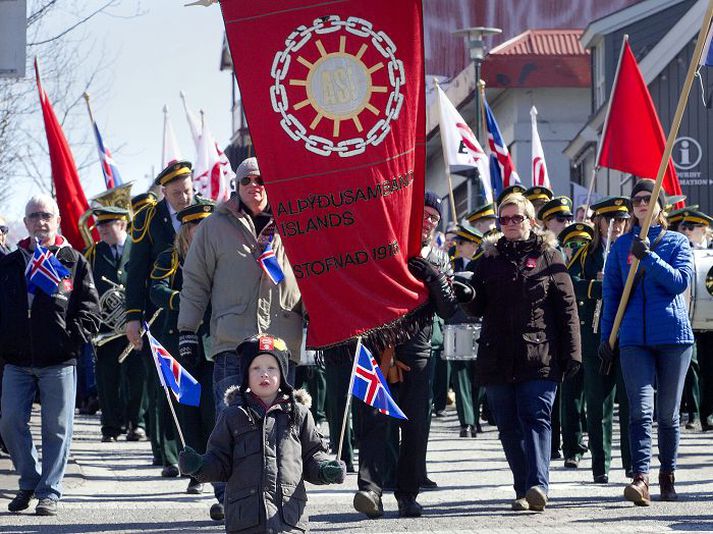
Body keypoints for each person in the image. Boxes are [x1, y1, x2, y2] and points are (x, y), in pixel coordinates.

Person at [177, 156, 304, 521]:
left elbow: (312, 276)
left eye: (263, 179)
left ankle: (277, 496)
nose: (255, 185)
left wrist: (323, 328)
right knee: (230, 417)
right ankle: (229, 495)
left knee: (281, 422)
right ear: (237, 185)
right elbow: (195, 281)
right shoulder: (214, 226)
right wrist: (188, 330)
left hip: (281, 338)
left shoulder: (295, 220)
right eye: (247, 179)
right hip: (233, 339)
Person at [461, 192, 581, 511]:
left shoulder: (549, 255)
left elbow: (567, 307)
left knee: (536, 417)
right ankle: (522, 487)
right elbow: (477, 307)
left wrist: (573, 353)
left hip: (540, 353)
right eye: (504, 219)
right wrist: (465, 295)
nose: (510, 224)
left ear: (530, 220)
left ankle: (538, 485)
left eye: (517, 218)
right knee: (509, 425)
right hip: (497, 354)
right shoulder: (488, 259)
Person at [352, 191, 459, 519]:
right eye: (423, 214)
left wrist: (433, 275)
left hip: (418, 350)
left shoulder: (440, 257)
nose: (427, 221)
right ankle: (370, 490)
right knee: (372, 422)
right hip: (375, 346)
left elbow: (449, 308)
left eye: (433, 217)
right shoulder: (382, 245)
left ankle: (407, 494)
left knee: (415, 427)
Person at [178, 334, 345, 533]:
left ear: (282, 374)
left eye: (271, 368)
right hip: (245, 521)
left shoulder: (299, 414)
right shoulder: (232, 415)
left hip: (288, 519)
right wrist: (199, 466)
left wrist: (325, 469)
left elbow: (312, 456)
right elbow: (219, 461)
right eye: (256, 368)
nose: (264, 374)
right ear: (246, 374)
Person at [0, 194, 100, 516]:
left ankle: (49, 492)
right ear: (25, 222)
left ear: (56, 220)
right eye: (34, 216)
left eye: (47, 216)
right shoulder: (10, 262)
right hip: (16, 359)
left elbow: (89, 308)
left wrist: (71, 340)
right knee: (10, 422)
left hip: (58, 360)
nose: (41, 222)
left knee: (56, 428)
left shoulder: (73, 260)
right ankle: (29, 480)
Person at [599, 179, 694, 505]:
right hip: (634, 340)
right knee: (639, 411)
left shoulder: (677, 242)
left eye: (648, 198)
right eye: (637, 199)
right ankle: (641, 478)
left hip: (673, 337)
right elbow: (611, 295)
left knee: (667, 415)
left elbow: (679, 282)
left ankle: (667, 474)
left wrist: (650, 258)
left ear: (660, 205)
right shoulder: (620, 247)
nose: (642, 202)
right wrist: (606, 337)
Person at [125, 161, 199, 477]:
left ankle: (199, 451)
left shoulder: (204, 213)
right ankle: (171, 455)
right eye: (177, 192)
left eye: (188, 190)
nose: (184, 197)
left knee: (197, 383)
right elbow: (137, 270)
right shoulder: (148, 219)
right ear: (164, 191)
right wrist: (133, 317)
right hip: (163, 310)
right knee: (168, 384)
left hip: (200, 309)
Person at [150, 202, 216, 495]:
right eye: (193, 226)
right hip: (179, 338)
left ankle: (216, 465)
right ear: (185, 231)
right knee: (185, 405)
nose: (198, 230)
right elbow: (156, 289)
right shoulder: (171, 257)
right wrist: (185, 300)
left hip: (213, 338)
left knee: (212, 406)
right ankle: (196, 469)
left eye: (204, 224)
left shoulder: (220, 254)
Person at [567, 197, 631, 483]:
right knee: (597, 403)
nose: (617, 226)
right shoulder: (584, 254)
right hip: (595, 336)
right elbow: (569, 284)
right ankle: (600, 464)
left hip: (629, 335)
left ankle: (632, 465)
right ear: (598, 223)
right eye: (611, 220)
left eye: (622, 220)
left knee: (631, 404)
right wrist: (597, 285)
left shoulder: (633, 248)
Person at [85, 206, 148, 443]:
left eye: (107, 224)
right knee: (106, 378)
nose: (101, 229)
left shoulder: (139, 247)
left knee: (137, 377)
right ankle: (110, 427)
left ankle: (137, 424)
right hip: (106, 328)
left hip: (134, 324)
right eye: (99, 225)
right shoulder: (92, 253)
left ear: (122, 224)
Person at [677, 209, 713, 430]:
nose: (687, 232)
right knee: (695, 367)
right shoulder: (683, 252)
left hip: (709, 318)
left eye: (692, 228)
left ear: (704, 229)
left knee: (709, 367)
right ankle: (697, 413)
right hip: (689, 318)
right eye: (685, 228)